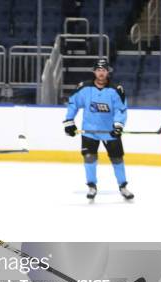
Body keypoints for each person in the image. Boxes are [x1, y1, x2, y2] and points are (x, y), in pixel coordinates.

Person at [63, 58, 133, 201]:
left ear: (108, 72)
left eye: (104, 70)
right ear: (94, 71)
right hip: (89, 131)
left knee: (117, 159)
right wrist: (69, 121)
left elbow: (121, 109)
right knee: (89, 158)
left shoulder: (116, 89)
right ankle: (91, 186)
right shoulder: (84, 88)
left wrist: (118, 125)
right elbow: (73, 104)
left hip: (110, 132)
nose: (101, 73)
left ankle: (123, 186)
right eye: (99, 70)